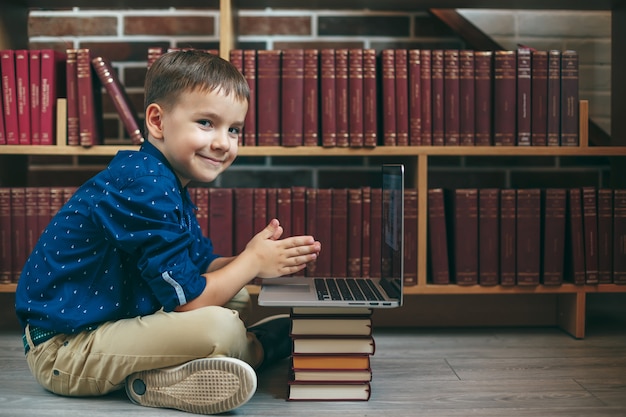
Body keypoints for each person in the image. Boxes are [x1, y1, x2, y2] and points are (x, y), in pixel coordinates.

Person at [15, 49, 321, 415]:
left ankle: (188, 366)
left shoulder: (162, 178)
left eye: (234, 129)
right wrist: (252, 262)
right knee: (220, 327)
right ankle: (254, 349)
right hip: (66, 350)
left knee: (234, 295)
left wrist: (260, 260)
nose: (223, 142)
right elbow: (188, 300)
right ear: (158, 122)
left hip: (113, 321)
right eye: (206, 123)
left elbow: (200, 264)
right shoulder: (145, 185)